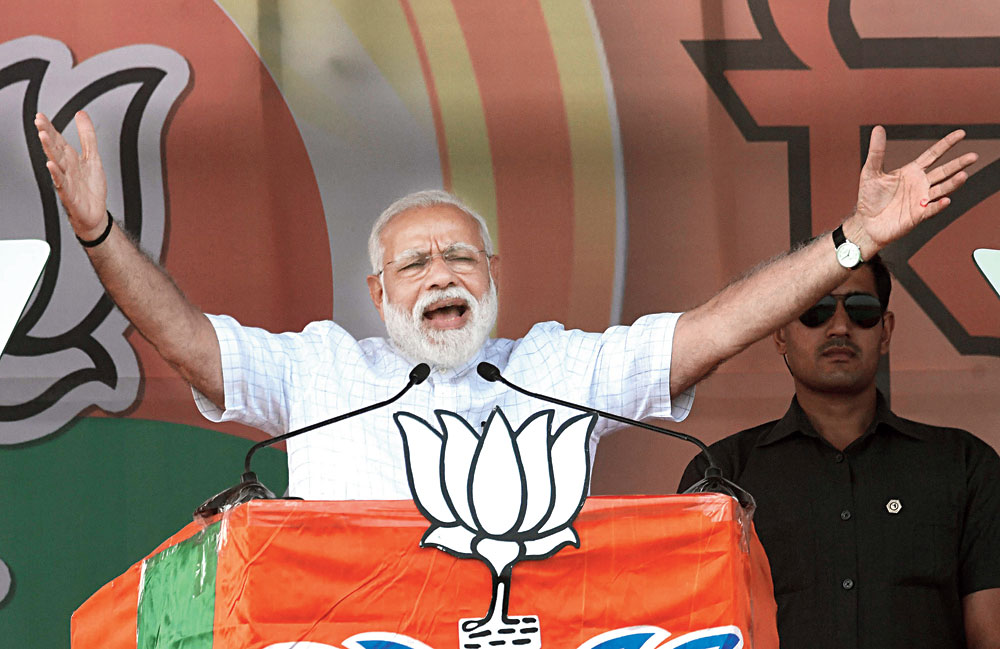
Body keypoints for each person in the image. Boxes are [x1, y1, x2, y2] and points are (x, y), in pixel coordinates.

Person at [35, 110, 978, 501]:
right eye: (415, 263)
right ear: (378, 295)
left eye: (460, 255)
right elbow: (188, 343)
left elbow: (715, 329)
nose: (441, 273)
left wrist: (849, 243)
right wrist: (97, 231)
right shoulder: (321, 370)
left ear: (492, 273)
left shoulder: (560, 369)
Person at [677, 257, 1000, 649]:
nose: (840, 326)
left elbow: (990, 632)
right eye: (815, 310)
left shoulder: (964, 464)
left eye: (862, 310)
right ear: (780, 334)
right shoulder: (724, 474)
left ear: (885, 331)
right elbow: (697, 631)